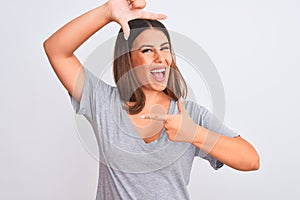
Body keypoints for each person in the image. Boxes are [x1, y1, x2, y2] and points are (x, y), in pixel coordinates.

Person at [43, 0, 260, 199]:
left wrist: (193, 133)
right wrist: (107, 12)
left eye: (165, 49)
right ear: (128, 58)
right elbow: (56, 50)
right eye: (147, 50)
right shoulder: (102, 102)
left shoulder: (190, 114)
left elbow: (251, 159)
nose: (160, 57)